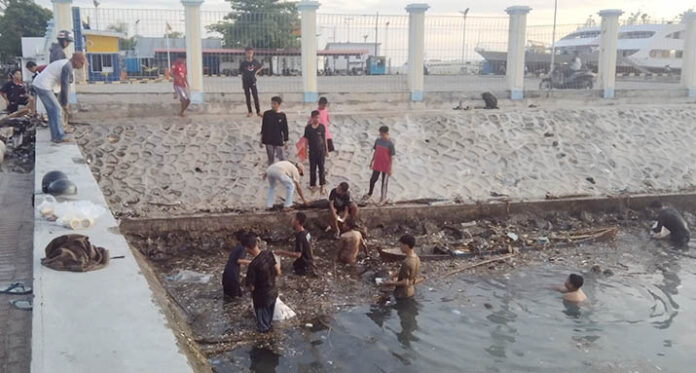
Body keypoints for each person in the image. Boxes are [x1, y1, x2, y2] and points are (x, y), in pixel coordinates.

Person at [33, 52, 86, 143]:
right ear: (76, 61)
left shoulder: (66, 64)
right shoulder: (67, 66)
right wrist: (65, 103)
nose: (82, 66)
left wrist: (63, 101)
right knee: (56, 109)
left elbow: (64, 84)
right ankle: (59, 136)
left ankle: (55, 135)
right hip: (43, 86)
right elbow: (64, 86)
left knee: (52, 111)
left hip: (40, 84)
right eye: (82, 63)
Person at [244, 233, 281, 333]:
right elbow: (278, 271)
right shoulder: (268, 254)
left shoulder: (253, 266)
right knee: (269, 320)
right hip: (273, 293)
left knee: (263, 326)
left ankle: (265, 343)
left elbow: (251, 287)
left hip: (261, 300)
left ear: (246, 248)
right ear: (256, 243)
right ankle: (271, 336)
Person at [275, 212, 317, 276]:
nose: (291, 220)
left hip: (304, 267)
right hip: (310, 264)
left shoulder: (300, 236)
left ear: (297, 221)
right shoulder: (307, 233)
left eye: (293, 218)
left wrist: (281, 252)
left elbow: (298, 255)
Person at [381, 234, 422, 299]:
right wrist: (395, 274)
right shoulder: (417, 258)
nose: (400, 247)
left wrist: (391, 283)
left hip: (402, 294)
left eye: (401, 245)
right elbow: (410, 275)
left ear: (406, 246)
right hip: (411, 291)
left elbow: (405, 282)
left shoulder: (407, 262)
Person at [365, 126, 396, 204]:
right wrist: (372, 161)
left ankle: (383, 198)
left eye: (382, 134)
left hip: (385, 166)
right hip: (377, 164)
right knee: (372, 180)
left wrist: (390, 168)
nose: (381, 135)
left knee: (384, 183)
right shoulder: (378, 141)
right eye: (380, 134)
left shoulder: (390, 144)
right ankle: (370, 193)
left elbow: (392, 157)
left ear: (386, 133)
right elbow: (375, 152)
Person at [304, 110, 329, 195]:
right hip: (312, 151)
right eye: (316, 117)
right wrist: (305, 151)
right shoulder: (308, 128)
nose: (317, 119)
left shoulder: (322, 127)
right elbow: (306, 140)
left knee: (321, 168)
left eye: (318, 117)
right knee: (312, 169)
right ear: (312, 118)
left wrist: (327, 150)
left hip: (321, 151)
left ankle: (322, 185)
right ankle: (313, 185)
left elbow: (324, 138)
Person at [222, 230, 252, 298]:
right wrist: (252, 262)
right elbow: (239, 260)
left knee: (229, 297)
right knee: (236, 297)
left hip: (227, 273)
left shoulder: (237, 247)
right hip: (232, 275)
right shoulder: (243, 248)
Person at [260, 96, 289, 165]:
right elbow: (264, 127)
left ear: (278, 105)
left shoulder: (282, 115)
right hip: (268, 140)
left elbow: (285, 128)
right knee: (270, 159)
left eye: (275, 104)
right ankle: (271, 173)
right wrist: (261, 139)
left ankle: (283, 173)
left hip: (278, 140)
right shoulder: (267, 114)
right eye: (272, 103)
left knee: (282, 158)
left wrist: (286, 140)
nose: (273, 105)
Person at [240, 47, 263, 118]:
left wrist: (256, 73)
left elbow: (261, 67)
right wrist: (242, 83)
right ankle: (250, 112)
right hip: (245, 82)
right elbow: (242, 73)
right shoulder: (243, 63)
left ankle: (258, 112)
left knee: (255, 97)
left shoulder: (255, 62)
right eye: (248, 53)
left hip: (253, 81)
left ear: (253, 53)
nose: (249, 54)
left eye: (250, 53)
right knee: (248, 97)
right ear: (245, 53)